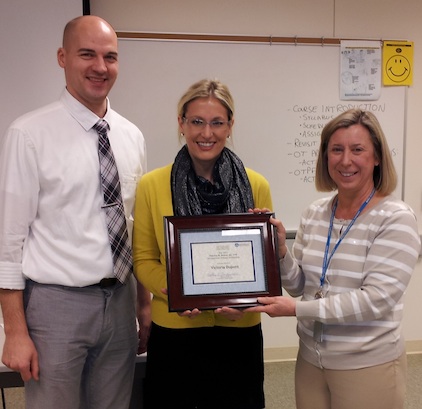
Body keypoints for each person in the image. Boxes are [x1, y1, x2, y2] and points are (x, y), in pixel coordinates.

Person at [0, 15, 151, 409]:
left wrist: (143, 305)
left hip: (120, 302)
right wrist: (14, 331)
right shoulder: (29, 134)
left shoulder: (131, 136)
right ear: (62, 57)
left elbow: (135, 229)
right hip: (55, 306)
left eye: (110, 57)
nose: (100, 67)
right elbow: (9, 241)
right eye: (87, 54)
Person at [246, 109, 421, 409]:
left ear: (377, 157)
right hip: (310, 361)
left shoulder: (395, 218)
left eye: (357, 150)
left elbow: (376, 300)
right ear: (325, 157)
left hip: (367, 364)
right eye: (336, 149)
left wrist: (296, 310)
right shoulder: (315, 213)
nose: (345, 160)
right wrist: (281, 252)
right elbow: (298, 285)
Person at [132, 78, 273, 409]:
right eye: (197, 121)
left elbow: (264, 265)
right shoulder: (152, 185)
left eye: (217, 123)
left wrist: (250, 296)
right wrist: (178, 289)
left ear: (230, 125)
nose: (206, 133)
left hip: (239, 330)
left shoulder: (256, 185)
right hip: (176, 330)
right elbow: (143, 259)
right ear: (181, 123)